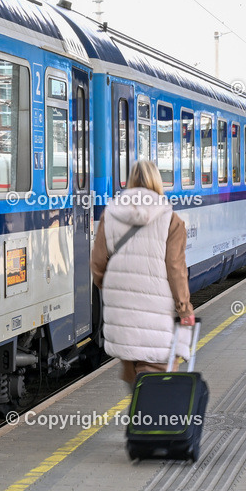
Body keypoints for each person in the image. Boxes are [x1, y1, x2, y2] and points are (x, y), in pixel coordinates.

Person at [91, 160, 196, 387]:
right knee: (156, 387)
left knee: (136, 381)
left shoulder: (110, 215)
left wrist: (116, 290)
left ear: (130, 182)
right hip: (155, 320)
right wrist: (185, 309)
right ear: (157, 182)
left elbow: (98, 266)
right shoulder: (171, 220)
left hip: (121, 319)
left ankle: (142, 419)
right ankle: (149, 420)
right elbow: (175, 269)